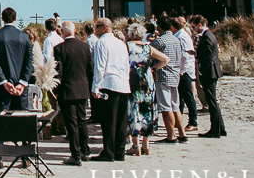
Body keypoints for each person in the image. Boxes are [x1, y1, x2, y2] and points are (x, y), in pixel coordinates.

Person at [0, 7, 33, 168]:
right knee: (23, 120)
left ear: (2, 18)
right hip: (21, 87)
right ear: (15, 18)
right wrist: (22, 83)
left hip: (3, 86)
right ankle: (25, 156)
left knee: (1, 120)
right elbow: (29, 63)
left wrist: (4, 81)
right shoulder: (25, 37)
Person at [90, 18, 130, 162]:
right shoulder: (121, 44)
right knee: (121, 121)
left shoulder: (102, 42)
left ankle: (108, 151)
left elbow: (100, 66)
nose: (96, 29)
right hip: (123, 84)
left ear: (105, 27)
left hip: (109, 83)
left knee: (108, 120)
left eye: (98, 27)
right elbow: (126, 65)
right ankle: (120, 151)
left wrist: (95, 87)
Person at [126, 22, 168, 156]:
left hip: (133, 80)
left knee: (134, 111)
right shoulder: (148, 48)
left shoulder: (127, 46)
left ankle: (135, 145)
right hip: (147, 80)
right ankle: (146, 144)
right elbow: (165, 59)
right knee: (147, 110)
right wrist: (153, 68)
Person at [53, 21, 92, 166]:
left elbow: (59, 72)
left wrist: (56, 90)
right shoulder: (85, 47)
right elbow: (90, 69)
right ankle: (85, 151)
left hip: (67, 90)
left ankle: (75, 154)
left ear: (62, 32)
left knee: (71, 123)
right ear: (74, 31)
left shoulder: (59, 49)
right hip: (82, 88)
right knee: (82, 121)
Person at [151, 15, 187, 144]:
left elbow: (148, 52)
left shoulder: (160, 41)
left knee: (166, 107)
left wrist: (153, 67)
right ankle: (182, 134)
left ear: (159, 26)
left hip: (163, 75)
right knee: (175, 106)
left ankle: (171, 136)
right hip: (175, 74)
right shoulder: (175, 39)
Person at [191, 15, 227, 138]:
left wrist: (201, 70)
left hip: (209, 72)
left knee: (211, 101)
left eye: (194, 27)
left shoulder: (206, 37)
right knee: (213, 100)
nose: (194, 29)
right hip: (213, 71)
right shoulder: (210, 35)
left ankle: (215, 130)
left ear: (200, 24)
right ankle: (220, 128)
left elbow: (207, 58)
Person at [175, 16, 199, 132]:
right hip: (183, 70)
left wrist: (181, 70)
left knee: (188, 96)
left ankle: (193, 121)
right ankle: (178, 120)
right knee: (181, 97)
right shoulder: (180, 35)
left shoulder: (182, 36)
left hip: (184, 71)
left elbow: (185, 55)